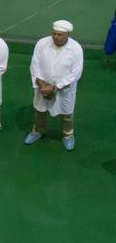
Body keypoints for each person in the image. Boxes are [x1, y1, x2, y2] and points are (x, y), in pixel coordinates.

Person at [25, 20, 84, 150]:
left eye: (59, 34)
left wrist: (55, 88)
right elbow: (35, 65)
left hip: (64, 90)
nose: (56, 37)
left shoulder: (76, 48)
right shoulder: (42, 43)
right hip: (43, 87)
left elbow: (76, 73)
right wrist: (42, 86)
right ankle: (37, 131)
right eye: (54, 34)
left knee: (66, 114)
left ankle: (68, 135)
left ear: (67, 34)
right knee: (40, 111)